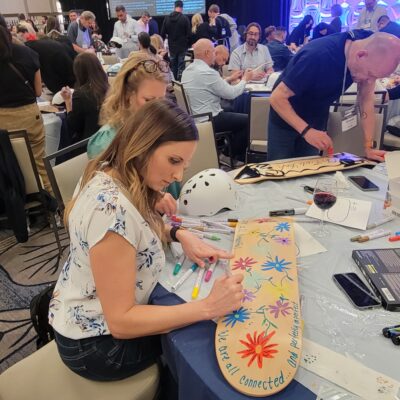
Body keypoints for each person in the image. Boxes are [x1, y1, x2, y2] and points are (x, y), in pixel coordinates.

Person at [49, 98, 243, 381]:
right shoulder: (112, 211)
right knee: (208, 340)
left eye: (184, 165)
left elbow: (138, 226)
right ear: (142, 144)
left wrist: (178, 233)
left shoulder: (110, 168)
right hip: (96, 346)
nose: (178, 175)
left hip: (79, 313)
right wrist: (208, 307)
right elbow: (122, 322)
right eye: (173, 161)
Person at [267, 31, 400, 162]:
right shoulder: (316, 55)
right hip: (285, 117)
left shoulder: (367, 43)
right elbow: (277, 98)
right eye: (370, 74)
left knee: (307, 172)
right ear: (360, 55)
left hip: (316, 119)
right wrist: (307, 131)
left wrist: (368, 147)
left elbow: (366, 100)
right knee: (280, 172)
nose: (370, 81)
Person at [181, 39, 253, 163]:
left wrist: (229, 78)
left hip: (194, 117)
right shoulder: (208, 72)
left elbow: (209, 86)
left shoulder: (188, 70)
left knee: (232, 111)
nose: (215, 55)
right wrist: (245, 79)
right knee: (248, 121)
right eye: (214, 52)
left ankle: (227, 148)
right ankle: (228, 155)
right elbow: (231, 94)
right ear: (207, 52)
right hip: (208, 119)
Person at [0, 26, 52, 193]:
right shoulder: (27, 53)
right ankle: (53, 207)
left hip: (2, 120)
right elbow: (38, 92)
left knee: (9, 168)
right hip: (29, 116)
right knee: (40, 165)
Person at [61, 53, 109, 144]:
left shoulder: (81, 94)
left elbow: (73, 125)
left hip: (89, 144)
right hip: (107, 140)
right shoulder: (109, 88)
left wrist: (68, 102)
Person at [161, 0, 191, 80]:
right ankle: (180, 83)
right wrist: (188, 45)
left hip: (172, 47)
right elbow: (189, 34)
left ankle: (174, 83)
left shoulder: (167, 18)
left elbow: (163, 33)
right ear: (182, 8)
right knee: (181, 66)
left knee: (173, 65)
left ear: (174, 7)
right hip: (182, 47)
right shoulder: (185, 18)